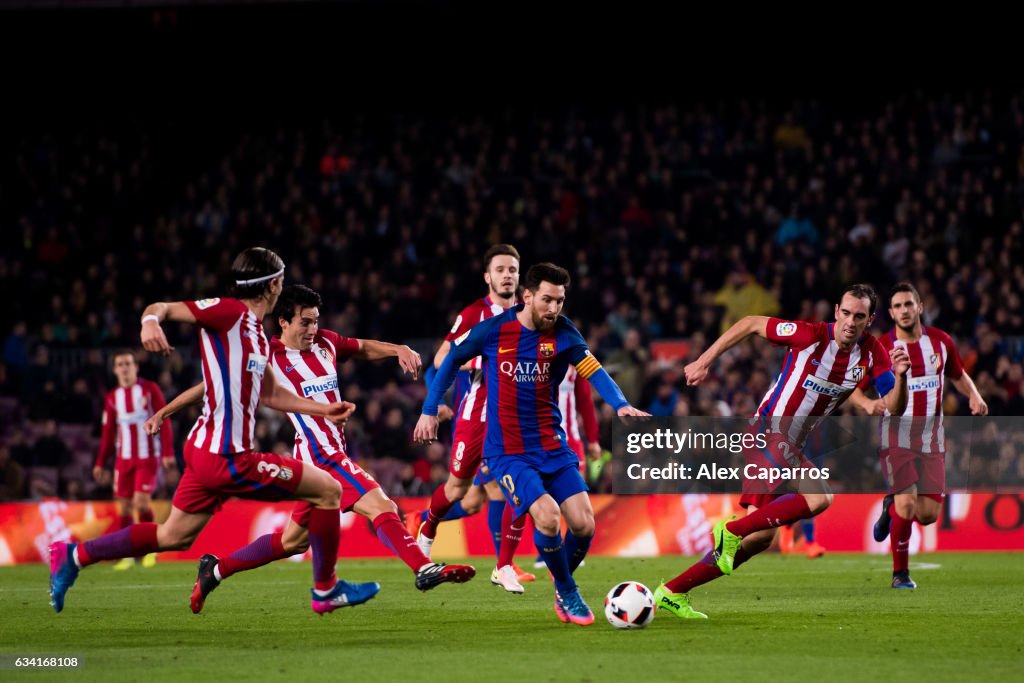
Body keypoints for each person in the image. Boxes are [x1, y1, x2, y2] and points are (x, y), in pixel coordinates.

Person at [49, 247, 359, 616]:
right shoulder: (229, 313)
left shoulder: (257, 336)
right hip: (228, 456)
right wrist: (150, 322)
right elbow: (161, 307)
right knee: (328, 489)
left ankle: (74, 555)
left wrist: (324, 408)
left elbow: (273, 394)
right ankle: (325, 590)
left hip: (204, 449)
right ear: (274, 285)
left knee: (172, 536)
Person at [148, 285, 475, 613]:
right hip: (320, 456)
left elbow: (361, 347)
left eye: (316, 321)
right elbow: (212, 383)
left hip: (322, 456)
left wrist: (397, 349)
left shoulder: (326, 343)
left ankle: (215, 570)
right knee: (382, 505)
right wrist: (166, 410)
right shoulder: (267, 355)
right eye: (305, 322)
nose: (312, 329)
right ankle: (423, 568)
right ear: (283, 323)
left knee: (293, 542)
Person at [654, 284, 910, 620]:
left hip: (790, 444)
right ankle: (730, 530)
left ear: (869, 320)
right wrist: (703, 361)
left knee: (760, 539)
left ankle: (672, 591)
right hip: (768, 433)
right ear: (836, 311)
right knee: (819, 498)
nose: (850, 322)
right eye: (845, 313)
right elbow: (749, 323)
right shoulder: (808, 335)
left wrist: (901, 378)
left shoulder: (873, 352)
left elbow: (896, 405)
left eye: (859, 317)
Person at [414, 262, 649, 625]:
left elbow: (593, 371)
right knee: (547, 516)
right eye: (546, 300)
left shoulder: (566, 333)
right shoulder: (493, 330)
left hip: (552, 447)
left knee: (585, 525)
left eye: (560, 301)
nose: (553, 309)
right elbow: (450, 361)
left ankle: (560, 583)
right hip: (508, 452)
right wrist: (430, 409)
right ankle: (568, 592)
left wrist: (620, 404)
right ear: (527, 296)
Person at [849, 282, 988, 589]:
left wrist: (974, 396)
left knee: (926, 515)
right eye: (897, 306)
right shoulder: (880, 348)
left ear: (920, 307)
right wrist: (869, 403)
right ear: (890, 313)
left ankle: (889, 506)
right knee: (907, 504)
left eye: (908, 304)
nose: (904, 310)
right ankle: (901, 574)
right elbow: (852, 389)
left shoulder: (940, 342)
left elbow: (957, 374)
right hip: (896, 438)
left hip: (932, 440)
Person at [414, 244, 536, 592]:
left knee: (517, 490)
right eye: (500, 269)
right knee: (459, 491)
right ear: (488, 277)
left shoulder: (530, 315)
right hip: (476, 416)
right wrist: (481, 359)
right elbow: (441, 359)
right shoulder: (473, 315)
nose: (507, 275)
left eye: (512, 269)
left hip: (514, 421)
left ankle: (503, 566)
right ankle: (428, 526)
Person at [94, 349, 176, 570]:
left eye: (128, 363)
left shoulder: (149, 390)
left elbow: (165, 420)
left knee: (141, 502)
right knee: (125, 508)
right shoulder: (112, 398)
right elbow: (108, 432)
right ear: (114, 369)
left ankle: (149, 550)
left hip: (147, 457)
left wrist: (168, 451)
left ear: (135, 367)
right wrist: (101, 462)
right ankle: (127, 554)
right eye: (120, 364)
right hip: (123, 459)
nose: (124, 368)